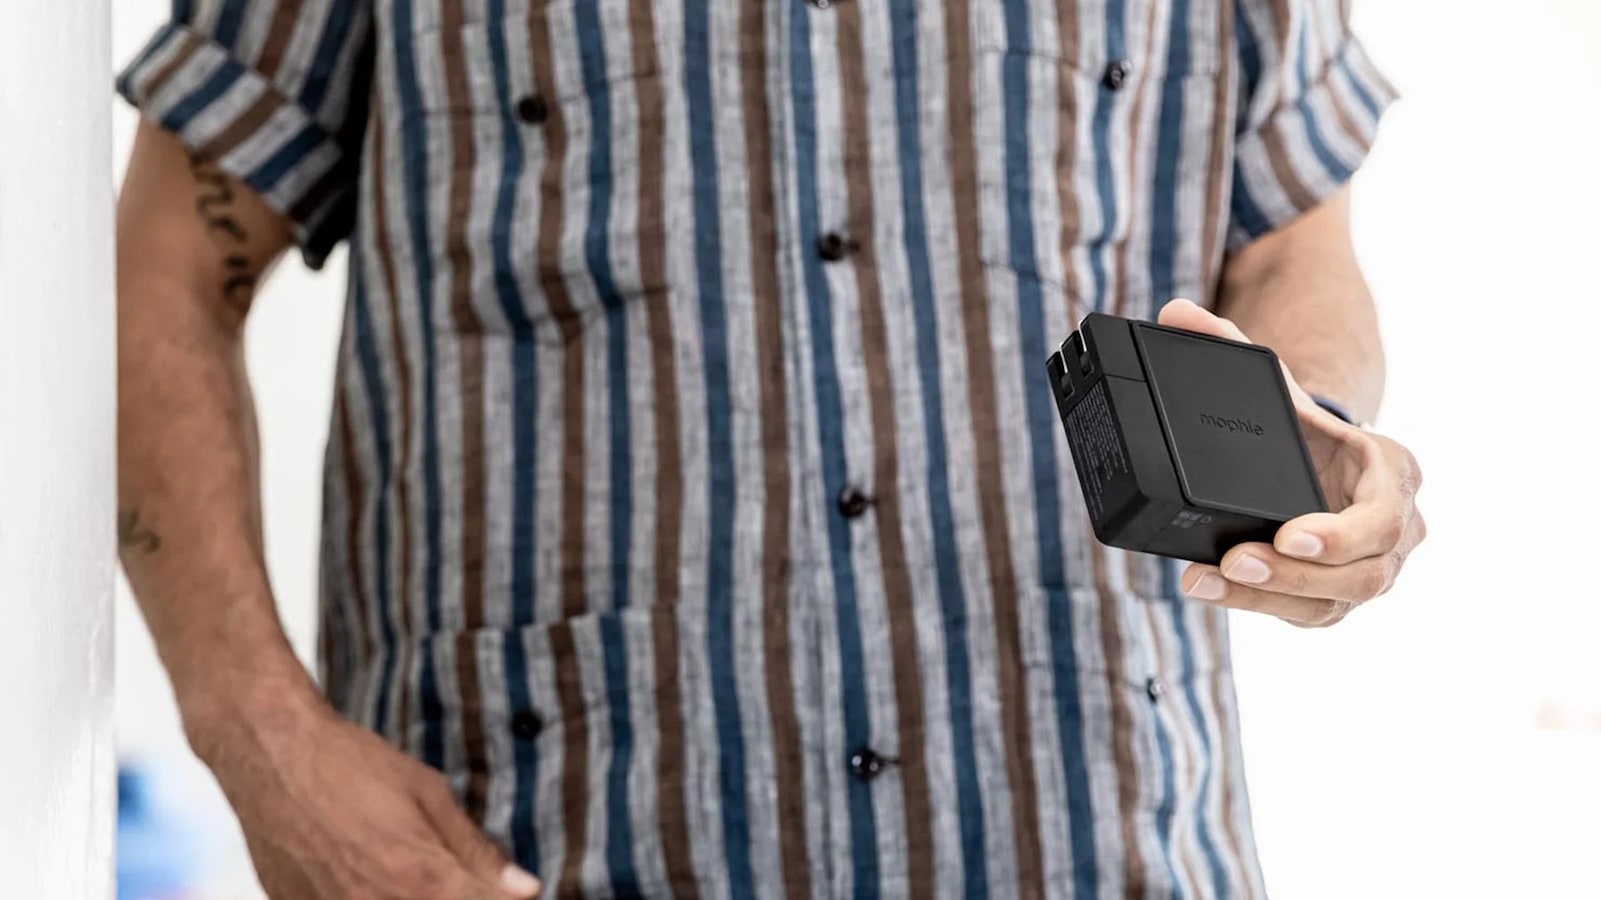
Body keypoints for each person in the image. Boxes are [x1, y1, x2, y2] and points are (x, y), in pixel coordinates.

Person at [114, 0, 1424, 895]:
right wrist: (257, 739)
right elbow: (160, 278)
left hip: (1100, 838)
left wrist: (1312, 442)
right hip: (530, 844)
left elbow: (1292, 250)